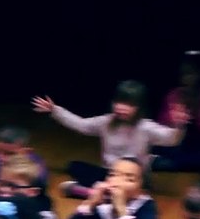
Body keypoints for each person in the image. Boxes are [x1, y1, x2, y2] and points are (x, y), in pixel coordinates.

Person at [33, 81, 188, 199]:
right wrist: (55, 110)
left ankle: (96, 193)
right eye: (119, 102)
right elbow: (81, 125)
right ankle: (110, 194)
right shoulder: (106, 122)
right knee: (75, 166)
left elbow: (172, 139)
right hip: (110, 174)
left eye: (129, 104)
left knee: (126, 182)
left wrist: (179, 125)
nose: (121, 107)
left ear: (138, 107)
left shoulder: (145, 127)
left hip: (133, 178)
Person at [152, 51, 200, 173]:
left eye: (191, 74)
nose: (187, 78)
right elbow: (161, 126)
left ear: (199, 75)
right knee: (164, 151)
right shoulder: (173, 95)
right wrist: (176, 120)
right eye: (184, 74)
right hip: (179, 142)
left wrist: (199, 116)